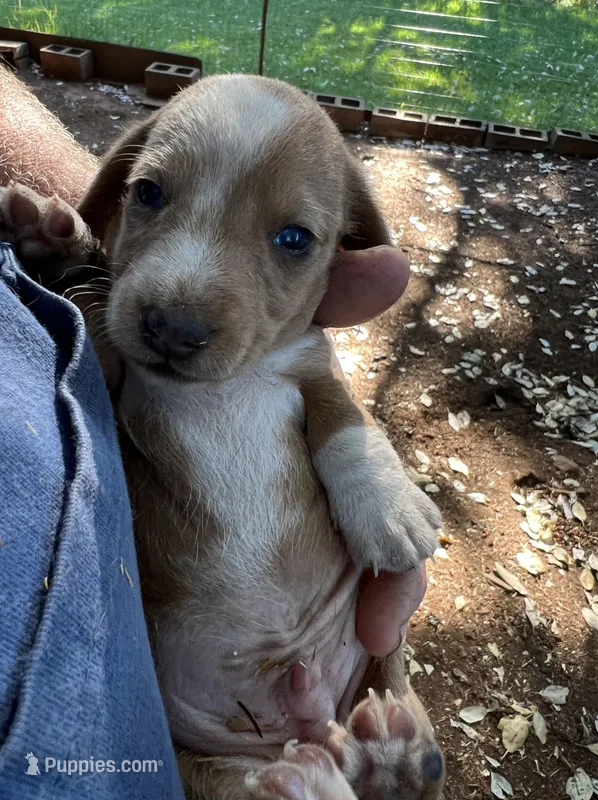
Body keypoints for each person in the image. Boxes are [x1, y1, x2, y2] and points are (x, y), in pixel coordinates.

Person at [0, 67, 428, 798]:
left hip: (340, 649)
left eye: (292, 239)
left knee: (389, 683)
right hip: (192, 722)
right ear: (114, 191)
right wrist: (77, 272)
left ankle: (389, 770)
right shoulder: (119, 343)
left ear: (341, 253)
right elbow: (80, 375)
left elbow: (323, 396)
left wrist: (363, 465)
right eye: (154, 196)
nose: (182, 309)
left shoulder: (291, 354)